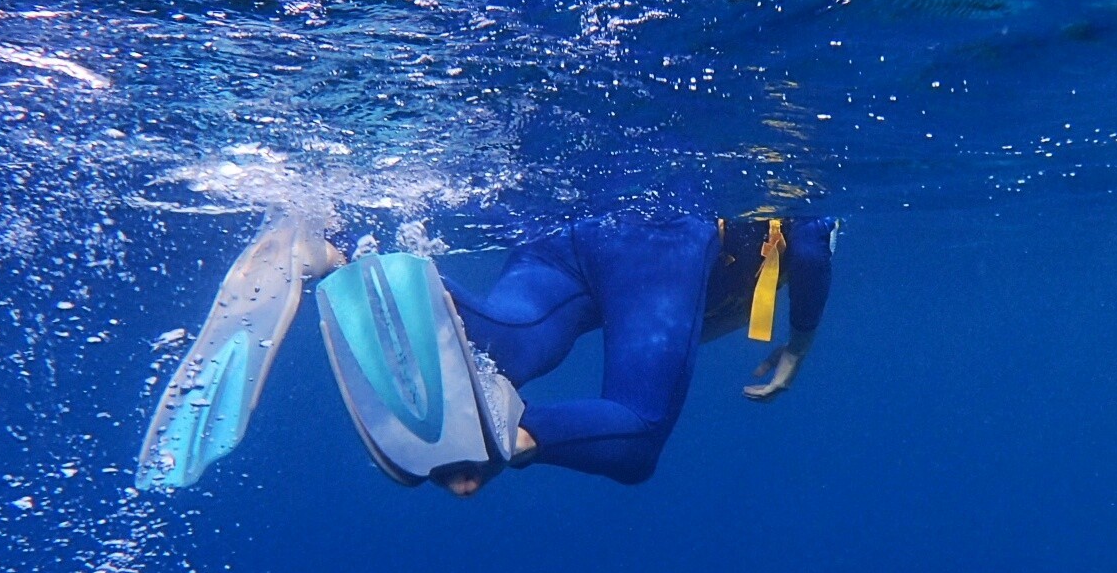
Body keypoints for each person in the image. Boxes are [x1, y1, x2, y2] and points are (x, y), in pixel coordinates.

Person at [136, 210, 835, 494]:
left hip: (564, 228)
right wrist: (800, 339)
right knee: (637, 436)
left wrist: (479, 435)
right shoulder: (753, 219)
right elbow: (809, 236)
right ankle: (508, 429)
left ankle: (330, 254)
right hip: (662, 236)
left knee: (502, 338)